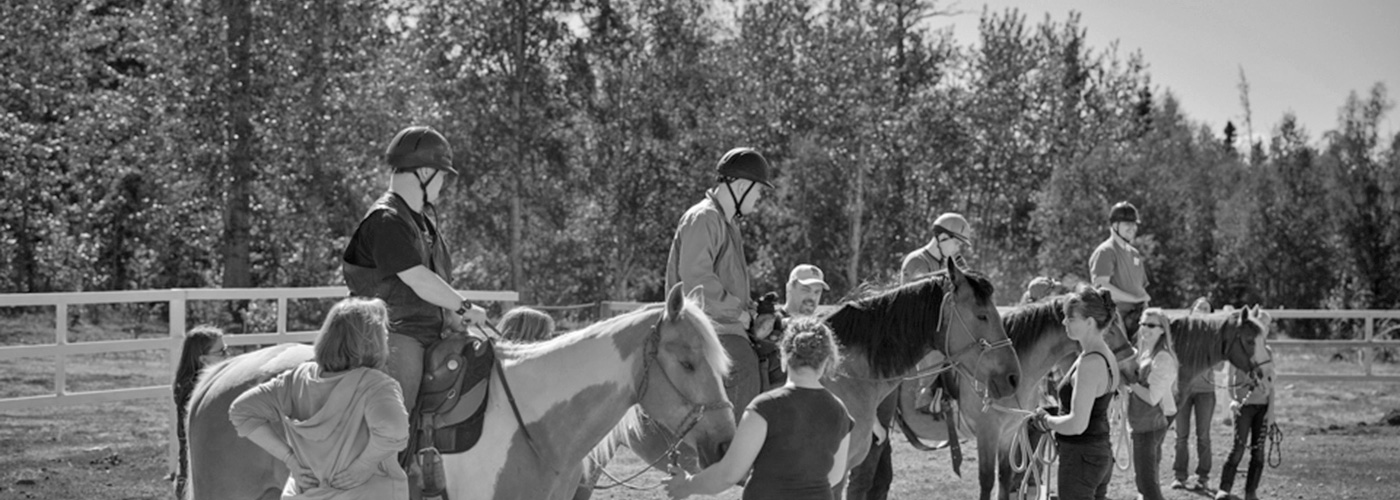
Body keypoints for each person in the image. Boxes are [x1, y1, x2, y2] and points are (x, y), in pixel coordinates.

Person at [341, 126, 488, 414]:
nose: (443, 183)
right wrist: (463, 306)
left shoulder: (422, 223)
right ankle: (383, 458)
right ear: (423, 173)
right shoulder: (387, 220)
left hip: (427, 331)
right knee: (397, 412)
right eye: (442, 175)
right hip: (388, 333)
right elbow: (418, 279)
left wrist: (452, 316)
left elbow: (436, 284)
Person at [229, 298, 411, 500]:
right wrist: (364, 464)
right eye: (381, 332)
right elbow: (395, 429)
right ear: (369, 341)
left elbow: (241, 410)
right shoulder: (376, 385)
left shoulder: (296, 378)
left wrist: (290, 459)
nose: (386, 336)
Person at [665, 317, 853, 500]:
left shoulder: (764, 407)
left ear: (783, 357)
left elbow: (728, 475)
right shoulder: (840, 411)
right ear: (828, 361)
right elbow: (834, 476)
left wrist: (687, 485)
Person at [665, 147, 774, 418]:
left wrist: (750, 310)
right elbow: (696, 280)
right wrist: (737, 312)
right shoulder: (704, 218)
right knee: (743, 364)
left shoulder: (726, 223)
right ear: (739, 186)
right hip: (701, 324)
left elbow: (728, 283)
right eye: (758, 190)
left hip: (722, 323)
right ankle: (731, 453)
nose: (759, 198)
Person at [1031, 285, 1121, 500]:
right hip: (1096, 454)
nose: (1064, 322)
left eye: (1071, 318)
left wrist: (1046, 421)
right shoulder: (1104, 355)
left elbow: (1077, 424)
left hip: (1081, 457)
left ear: (1089, 322)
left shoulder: (1090, 363)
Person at [1215, 332, 1275, 500]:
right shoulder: (1237, 353)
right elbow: (1229, 380)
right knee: (1238, 448)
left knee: (1258, 451)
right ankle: (1224, 489)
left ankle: (1251, 492)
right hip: (1244, 407)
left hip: (1262, 407)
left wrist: (1271, 412)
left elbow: (1272, 383)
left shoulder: (1267, 353)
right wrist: (1233, 400)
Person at [1127, 308, 1179, 500]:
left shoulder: (1162, 358)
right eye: (1142, 324)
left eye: (1151, 325)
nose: (1144, 329)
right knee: (1145, 482)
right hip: (1142, 425)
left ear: (1162, 330)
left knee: (1147, 485)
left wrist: (1128, 381)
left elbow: (1152, 397)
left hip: (1149, 426)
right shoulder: (1146, 353)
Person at [751, 264, 830, 389]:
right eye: (806, 290)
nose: (812, 297)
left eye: (817, 292)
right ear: (789, 288)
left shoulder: (821, 331)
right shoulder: (771, 324)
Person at [172, 325, 227, 499]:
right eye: (222, 352)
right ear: (203, 360)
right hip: (197, 465)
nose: (228, 356)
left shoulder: (186, 384)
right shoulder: (195, 390)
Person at [1089, 201, 1150, 342]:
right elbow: (1101, 287)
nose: (1133, 228)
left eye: (1134, 224)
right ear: (1115, 226)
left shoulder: (1135, 254)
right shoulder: (1106, 251)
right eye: (1127, 224)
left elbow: (1141, 287)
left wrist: (1143, 302)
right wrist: (1133, 299)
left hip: (1138, 314)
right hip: (1116, 318)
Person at [899, 212, 973, 283]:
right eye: (956, 243)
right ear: (943, 237)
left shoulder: (943, 264)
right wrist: (953, 272)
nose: (957, 249)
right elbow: (921, 286)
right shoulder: (916, 260)